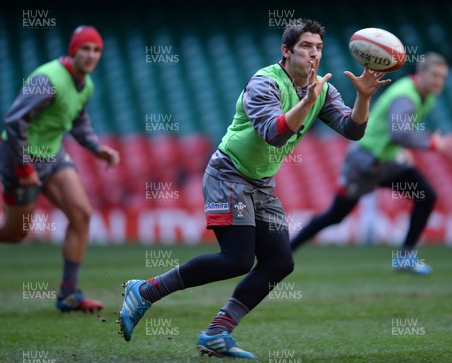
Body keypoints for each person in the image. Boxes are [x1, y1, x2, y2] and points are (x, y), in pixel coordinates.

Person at [118, 18, 390, 359]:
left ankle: (217, 332)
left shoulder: (322, 89)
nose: (313, 55)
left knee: (279, 262)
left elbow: (353, 131)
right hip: (229, 174)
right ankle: (144, 290)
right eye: (306, 46)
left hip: (261, 184)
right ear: (286, 51)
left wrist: (363, 98)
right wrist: (307, 102)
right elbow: (273, 132)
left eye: (318, 48)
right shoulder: (265, 83)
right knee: (237, 259)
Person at [290, 52, 452, 275]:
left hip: (385, 162)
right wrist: (432, 142)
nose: (438, 81)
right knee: (335, 215)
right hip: (364, 162)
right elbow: (399, 133)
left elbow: (397, 133)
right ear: (421, 73)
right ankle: (286, 250)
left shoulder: (425, 96)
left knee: (426, 196)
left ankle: (405, 257)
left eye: (442, 77)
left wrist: (403, 150)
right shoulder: (406, 95)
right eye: (434, 75)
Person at [0, 26, 119, 312]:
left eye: (96, 49)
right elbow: (13, 122)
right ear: (73, 51)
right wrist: (24, 168)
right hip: (19, 160)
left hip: (52, 157)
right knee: (14, 233)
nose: (91, 54)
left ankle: (68, 294)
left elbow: (77, 120)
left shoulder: (85, 84)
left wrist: (96, 147)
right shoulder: (47, 80)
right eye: (85, 48)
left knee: (82, 214)